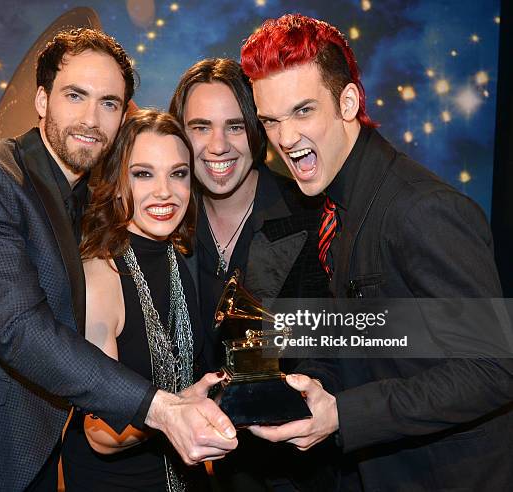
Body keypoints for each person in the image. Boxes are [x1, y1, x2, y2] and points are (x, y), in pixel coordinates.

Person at [0, 28, 236, 491]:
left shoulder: (87, 206)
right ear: (41, 100)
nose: (91, 118)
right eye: (75, 95)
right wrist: (161, 407)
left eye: (109, 103)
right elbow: (20, 329)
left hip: (36, 455)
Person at [240, 14, 513, 491]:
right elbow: (377, 337)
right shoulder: (340, 200)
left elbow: (493, 368)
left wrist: (343, 413)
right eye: (271, 120)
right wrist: (312, 387)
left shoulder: (420, 209)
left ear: (348, 102)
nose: (284, 138)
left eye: (303, 111)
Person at [169, 58, 338, 491]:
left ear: (257, 130)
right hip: (195, 472)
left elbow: (331, 344)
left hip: (295, 468)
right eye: (200, 127)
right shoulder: (164, 222)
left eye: (235, 126)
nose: (218, 145)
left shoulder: (309, 214)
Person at [62, 109, 214, 491]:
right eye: (143, 173)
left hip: (185, 476)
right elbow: (100, 432)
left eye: (178, 173)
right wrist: (183, 409)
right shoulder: (100, 275)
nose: (165, 191)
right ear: (115, 183)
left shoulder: (180, 257)